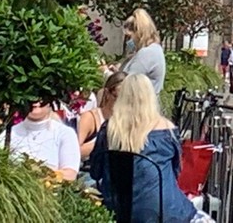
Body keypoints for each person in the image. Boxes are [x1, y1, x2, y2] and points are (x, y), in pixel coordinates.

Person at [90, 73, 214, 223]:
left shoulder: (109, 129)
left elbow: (95, 172)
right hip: (164, 213)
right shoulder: (166, 129)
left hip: (119, 212)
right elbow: (176, 173)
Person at [0, 98, 81, 181]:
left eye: (41, 97)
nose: (35, 101)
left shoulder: (65, 133)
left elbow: (70, 174)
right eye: (32, 96)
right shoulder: (9, 133)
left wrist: (39, 177)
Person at [77, 70, 126, 163]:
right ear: (107, 93)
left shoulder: (129, 120)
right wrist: (101, 143)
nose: (122, 103)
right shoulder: (90, 118)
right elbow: (73, 152)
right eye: (118, 97)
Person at [121, 8, 166, 94]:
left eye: (129, 37)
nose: (127, 41)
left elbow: (128, 84)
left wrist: (106, 73)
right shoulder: (154, 49)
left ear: (138, 33)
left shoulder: (147, 53)